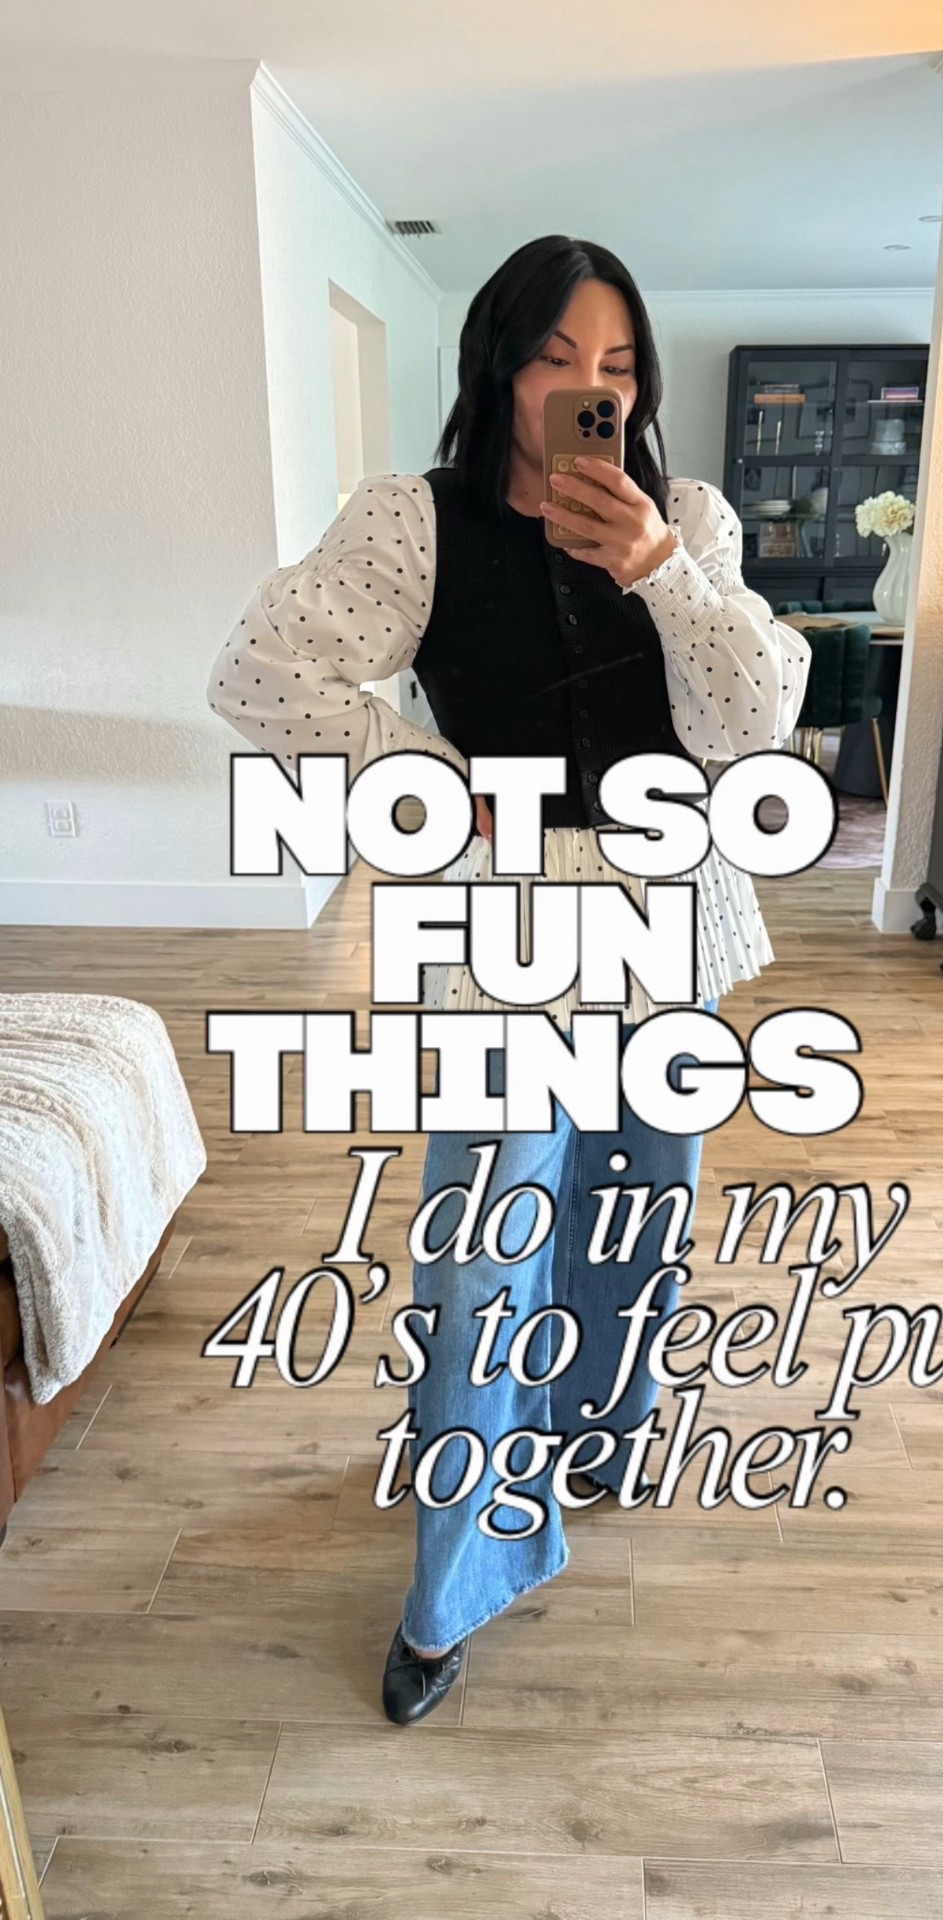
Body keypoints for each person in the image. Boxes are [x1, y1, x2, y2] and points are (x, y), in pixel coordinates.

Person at [206, 233, 812, 1726]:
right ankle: (453, 1584)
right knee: (486, 1246)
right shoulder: (411, 521)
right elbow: (263, 673)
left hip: (671, 909)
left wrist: (663, 573)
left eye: (617, 367)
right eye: (554, 358)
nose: (588, 391)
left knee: (640, 1198)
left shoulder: (692, 519)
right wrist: (430, 774)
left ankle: (598, 1424)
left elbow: (752, 728)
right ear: (497, 364)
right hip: (509, 921)